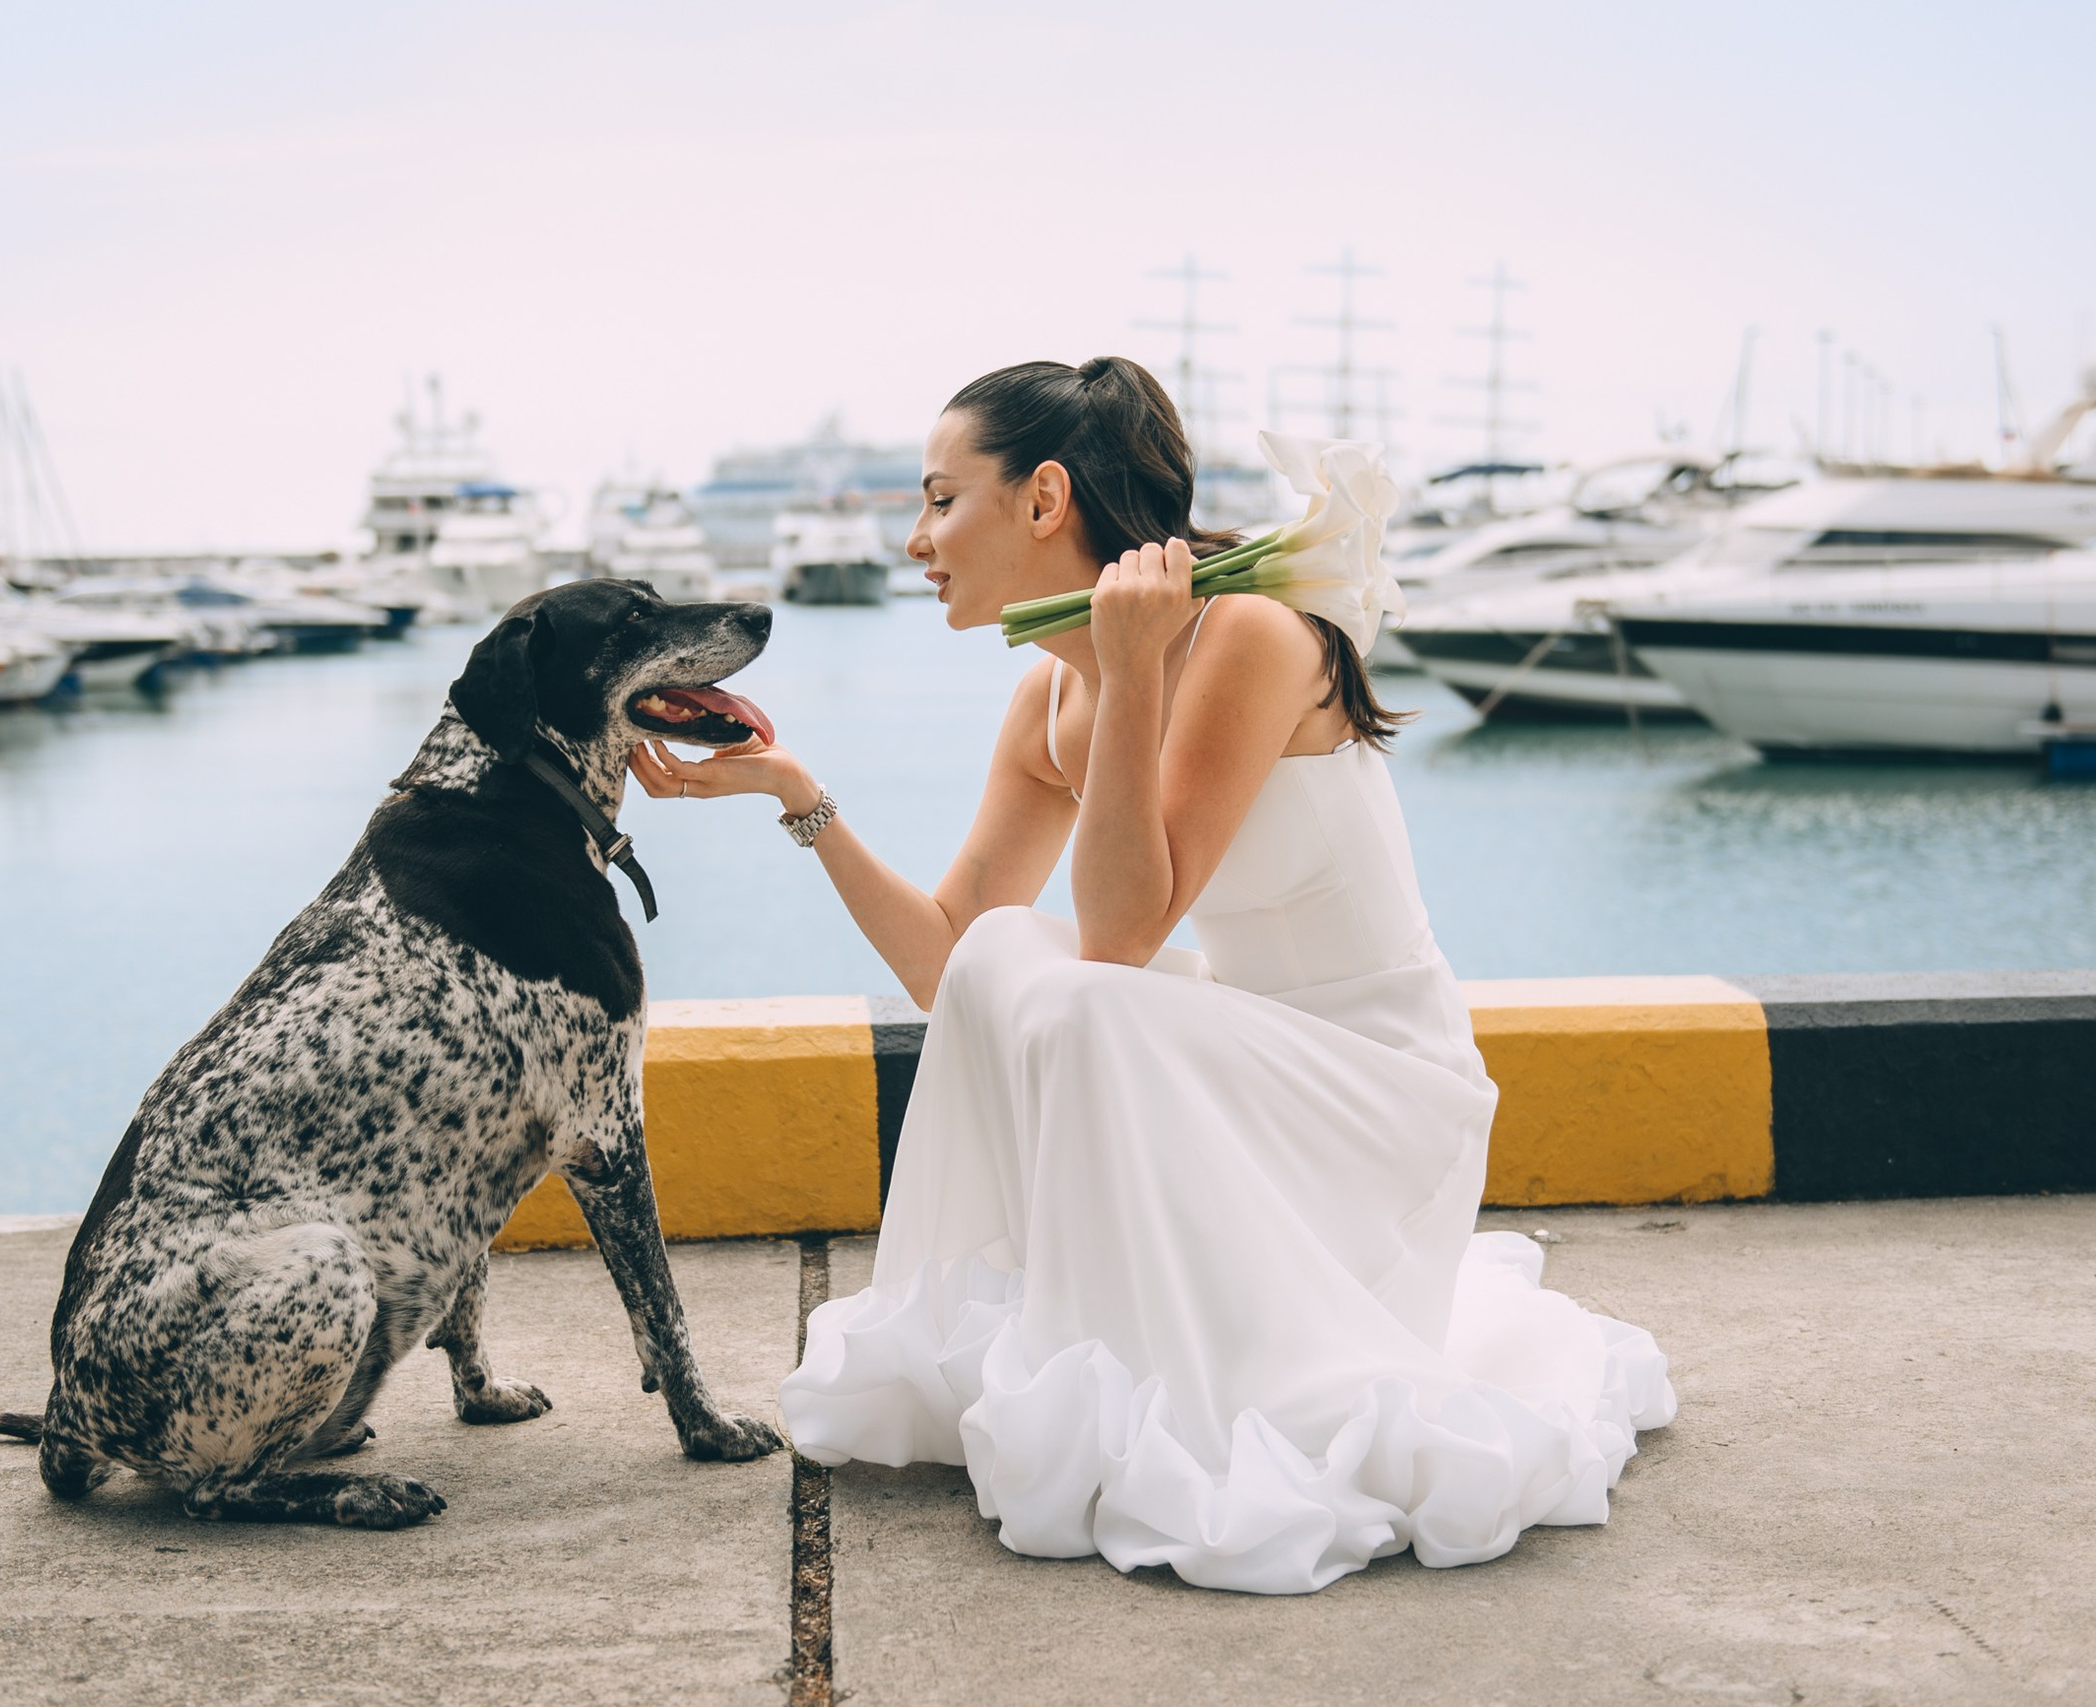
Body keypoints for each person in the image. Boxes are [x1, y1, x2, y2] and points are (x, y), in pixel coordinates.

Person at [628, 356, 1675, 1595]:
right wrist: (796, 797)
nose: (917, 540)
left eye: (939, 500)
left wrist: (1132, 674)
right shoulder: (1044, 700)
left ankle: (1174, 1366)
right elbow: (948, 968)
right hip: (1236, 1075)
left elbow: (1122, 934)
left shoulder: (1252, 636)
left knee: (1078, 984)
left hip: (1378, 1094)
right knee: (1010, 954)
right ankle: (1116, 1343)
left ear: (1042, 499)